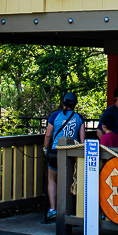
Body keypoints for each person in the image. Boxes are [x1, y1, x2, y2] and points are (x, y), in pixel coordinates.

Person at [43, 91, 85, 222]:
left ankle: (53, 209)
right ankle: (70, 208)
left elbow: (48, 135)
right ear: (75, 104)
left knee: (52, 179)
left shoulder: (55, 116)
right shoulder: (79, 118)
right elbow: (83, 140)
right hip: (72, 153)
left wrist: (45, 149)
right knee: (71, 179)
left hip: (56, 152)